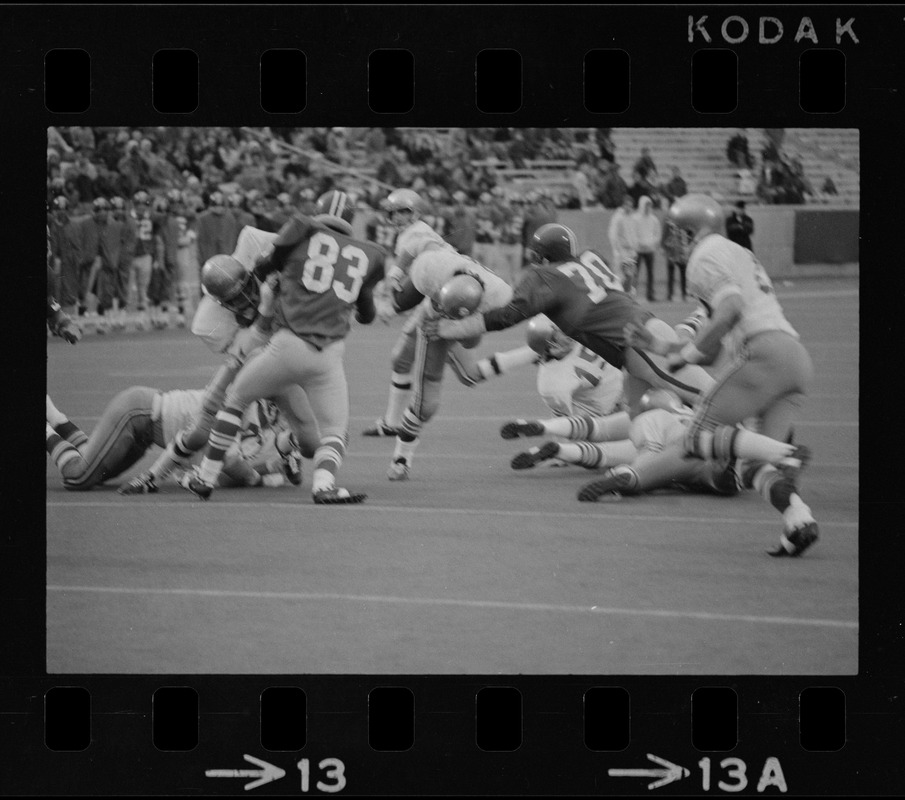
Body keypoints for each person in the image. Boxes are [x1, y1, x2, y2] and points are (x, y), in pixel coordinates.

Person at [619, 193, 818, 557]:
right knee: (756, 463)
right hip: (795, 359)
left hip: (765, 355)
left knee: (696, 441)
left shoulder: (704, 256)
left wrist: (684, 360)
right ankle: (797, 519)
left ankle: (786, 453)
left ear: (693, 230)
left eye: (677, 231)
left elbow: (730, 311)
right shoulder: (734, 252)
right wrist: (662, 348)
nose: (671, 239)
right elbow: (712, 347)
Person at [183, 190, 386, 504]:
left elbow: (265, 266)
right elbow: (368, 314)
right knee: (335, 430)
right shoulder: (371, 253)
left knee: (235, 401)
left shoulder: (300, 230)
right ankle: (323, 485)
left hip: (286, 345)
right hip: (329, 355)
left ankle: (205, 477)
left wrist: (277, 287)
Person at [426, 223, 715, 416]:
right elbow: (609, 302)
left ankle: (748, 450)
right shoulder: (590, 258)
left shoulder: (545, 277)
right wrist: (628, 284)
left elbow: (506, 316)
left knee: (713, 399)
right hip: (640, 339)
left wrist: (451, 327)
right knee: (639, 422)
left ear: (541, 256)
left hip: (639, 346)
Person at [119, 225, 319, 494]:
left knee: (312, 441)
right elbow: (245, 348)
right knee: (206, 423)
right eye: (235, 299)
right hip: (253, 361)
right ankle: (161, 475)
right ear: (221, 303)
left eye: (248, 288)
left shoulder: (259, 253)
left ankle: (286, 446)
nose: (247, 297)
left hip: (291, 358)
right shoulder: (210, 323)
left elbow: (304, 248)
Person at [384, 231, 513, 481]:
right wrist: (396, 272)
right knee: (426, 404)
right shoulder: (430, 269)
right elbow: (418, 242)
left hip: (470, 324)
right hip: (433, 317)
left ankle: (531, 353)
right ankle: (401, 458)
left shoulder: (499, 298)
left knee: (470, 374)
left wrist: (452, 327)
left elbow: (475, 335)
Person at [46, 388, 297, 491]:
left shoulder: (262, 422)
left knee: (99, 475)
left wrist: (268, 470)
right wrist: (258, 478)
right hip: (139, 413)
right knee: (78, 477)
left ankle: (55, 418)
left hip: (145, 430)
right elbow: (231, 463)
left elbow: (227, 468)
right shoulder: (245, 404)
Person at [633, 196, 662, 302]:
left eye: (649, 205)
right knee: (635, 272)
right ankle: (632, 294)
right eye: (646, 205)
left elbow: (657, 234)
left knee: (650, 273)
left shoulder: (654, 220)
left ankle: (650, 294)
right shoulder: (635, 218)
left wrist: (651, 243)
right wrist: (639, 243)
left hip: (650, 250)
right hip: (638, 250)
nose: (647, 208)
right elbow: (633, 233)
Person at [608, 196, 638, 294]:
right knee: (620, 276)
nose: (629, 208)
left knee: (630, 275)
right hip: (621, 251)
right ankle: (620, 296)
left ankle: (628, 295)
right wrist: (616, 251)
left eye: (631, 206)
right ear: (623, 205)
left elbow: (633, 234)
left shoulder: (631, 217)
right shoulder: (618, 217)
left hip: (630, 252)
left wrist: (634, 249)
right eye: (627, 205)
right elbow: (613, 235)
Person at [661, 219, 689, 302]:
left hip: (680, 254)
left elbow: (685, 240)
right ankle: (670, 294)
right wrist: (666, 247)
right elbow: (664, 239)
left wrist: (684, 252)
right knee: (671, 275)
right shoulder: (667, 225)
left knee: (683, 275)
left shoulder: (682, 224)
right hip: (671, 254)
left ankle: (684, 294)